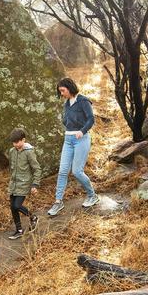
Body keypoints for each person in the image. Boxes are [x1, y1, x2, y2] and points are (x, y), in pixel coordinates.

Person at [47, 77, 99, 216]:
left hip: (81, 139)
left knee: (77, 171)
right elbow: (66, 119)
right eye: (60, 92)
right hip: (68, 139)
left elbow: (91, 119)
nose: (62, 94)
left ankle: (92, 195)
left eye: (63, 91)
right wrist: (66, 122)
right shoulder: (67, 103)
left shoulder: (83, 101)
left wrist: (82, 131)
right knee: (63, 171)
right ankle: (58, 202)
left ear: (69, 88)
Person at [5, 127, 41, 239]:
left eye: (17, 142)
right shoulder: (12, 152)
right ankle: (19, 230)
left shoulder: (29, 153)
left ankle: (33, 217)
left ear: (23, 140)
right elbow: (12, 167)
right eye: (13, 142)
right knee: (12, 207)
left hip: (24, 183)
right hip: (13, 184)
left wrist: (35, 184)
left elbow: (37, 169)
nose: (15, 144)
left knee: (17, 205)